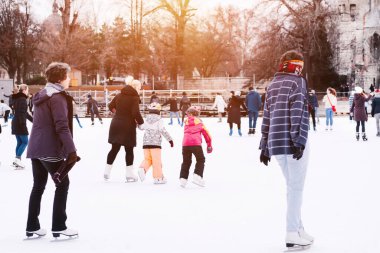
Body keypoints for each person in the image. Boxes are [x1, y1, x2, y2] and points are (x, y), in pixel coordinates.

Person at [259, 50, 313, 249]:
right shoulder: (297, 82)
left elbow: (267, 116)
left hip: (276, 145)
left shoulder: (272, 84)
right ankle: (292, 232)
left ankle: (298, 228)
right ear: (297, 66)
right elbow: (298, 112)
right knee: (296, 188)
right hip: (293, 144)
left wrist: (264, 146)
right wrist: (299, 141)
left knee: (292, 187)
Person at [26, 62, 79, 238]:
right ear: (61, 78)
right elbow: (61, 126)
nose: (69, 79)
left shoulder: (42, 94)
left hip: (36, 147)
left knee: (38, 186)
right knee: (63, 184)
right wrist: (71, 151)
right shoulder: (57, 97)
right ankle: (59, 226)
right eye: (68, 76)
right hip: (50, 148)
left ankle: (32, 225)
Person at [104, 78, 144, 182]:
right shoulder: (134, 97)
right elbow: (135, 113)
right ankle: (129, 173)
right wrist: (141, 123)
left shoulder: (119, 95)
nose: (140, 89)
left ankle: (107, 172)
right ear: (136, 87)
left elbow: (110, 106)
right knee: (129, 150)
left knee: (114, 149)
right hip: (127, 126)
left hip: (116, 124)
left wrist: (119, 113)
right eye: (139, 87)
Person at [137, 102, 173, 184]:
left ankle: (142, 168)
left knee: (148, 159)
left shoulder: (146, 119)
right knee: (156, 161)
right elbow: (162, 130)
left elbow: (141, 127)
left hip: (146, 143)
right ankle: (158, 178)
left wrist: (137, 124)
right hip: (155, 144)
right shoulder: (159, 119)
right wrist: (170, 140)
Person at [180, 106, 212, 188]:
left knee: (186, 161)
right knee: (201, 159)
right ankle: (197, 175)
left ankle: (183, 179)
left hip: (185, 144)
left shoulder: (186, 122)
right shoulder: (200, 123)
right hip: (196, 144)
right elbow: (207, 135)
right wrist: (209, 145)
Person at [11, 84, 33, 169]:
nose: (28, 92)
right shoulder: (23, 99)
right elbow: (22, 113)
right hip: (20, 123)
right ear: (24, 90)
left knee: (20, 142)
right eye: (27, 90)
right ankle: (17, 160)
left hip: (15, 122)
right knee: (25, 142)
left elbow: (25, 113)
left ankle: (17, 161)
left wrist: (33, 121)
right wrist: (23, 124)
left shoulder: (16, 98)